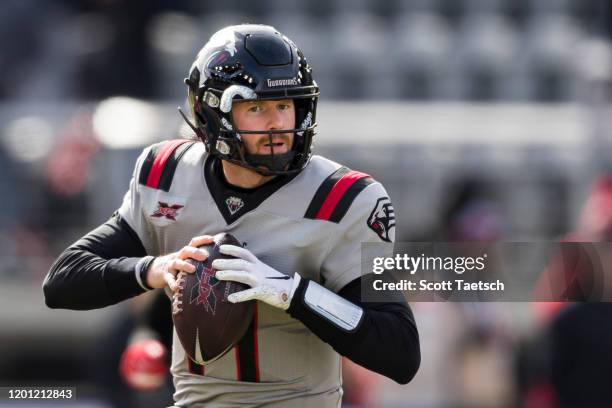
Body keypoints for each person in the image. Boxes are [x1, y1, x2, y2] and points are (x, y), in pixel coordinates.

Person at [43, 24, 420, 407]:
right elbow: (62, 281)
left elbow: (401, 351)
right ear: (211, 113)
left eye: (285, 105)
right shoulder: (168, 174)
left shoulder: (343, 199)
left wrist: (291, 292)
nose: (277, 124)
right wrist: (155, 269)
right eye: (256, 108)